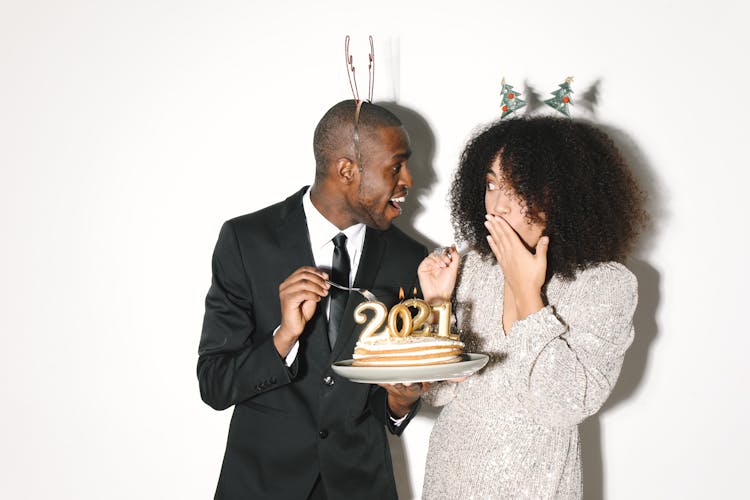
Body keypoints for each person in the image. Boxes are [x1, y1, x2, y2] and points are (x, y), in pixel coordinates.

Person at [197, 99, 429, 500]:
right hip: (260, 486)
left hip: (363, 486)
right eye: (396, 166)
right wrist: (283, 337)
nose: (408, 179)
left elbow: (393, 402)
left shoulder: (410, 259)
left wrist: (401, 400)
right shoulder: (245, 241)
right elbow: (214, 384)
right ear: (346, 170)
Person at [417, 116, 648, 498]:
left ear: (563, 192)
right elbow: (435, 393)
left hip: (535, 485)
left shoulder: (606, 285)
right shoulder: (471, 268)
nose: (498, 204)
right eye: (492, 184)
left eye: (519, 186)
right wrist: (437, 304)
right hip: (450, 478)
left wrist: (528, 294)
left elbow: (564, 405)